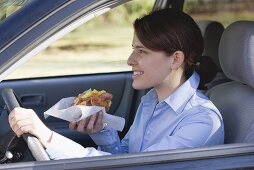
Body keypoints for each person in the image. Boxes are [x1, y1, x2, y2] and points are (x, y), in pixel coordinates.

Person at [8, 8, 224, 160]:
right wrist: (102, 130)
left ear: (176, 59)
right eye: (133, 49)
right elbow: (127, 158)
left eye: (142, 51)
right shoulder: (151, 101)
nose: (130, 60)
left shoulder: (202, 121)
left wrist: (47, 137)